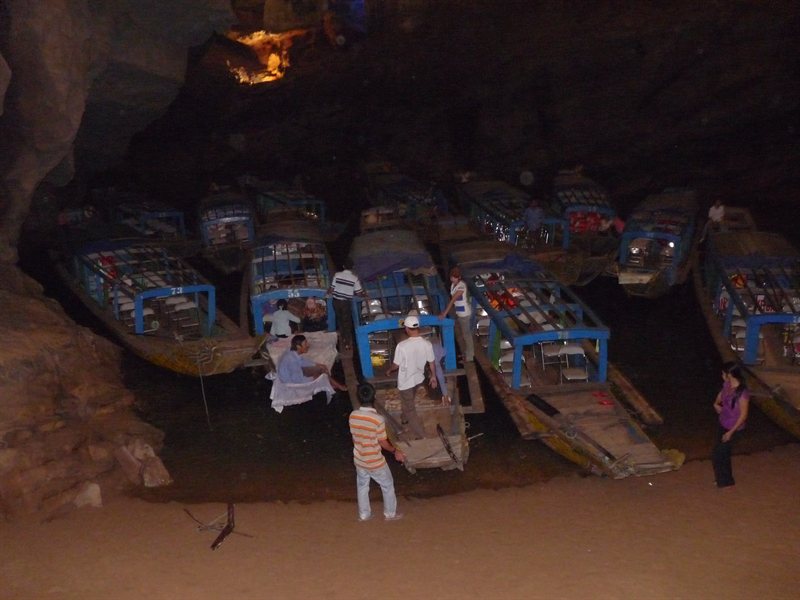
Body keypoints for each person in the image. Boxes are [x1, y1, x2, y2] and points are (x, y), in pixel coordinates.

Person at [348, 383, 406, 522]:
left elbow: (354, 436)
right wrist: (395, 451)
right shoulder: (378, 419)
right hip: (375, 461)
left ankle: (364, 515)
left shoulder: (353, 416)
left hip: (359, 459)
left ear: (359, 397)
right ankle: (390, 514)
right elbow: (383, 442)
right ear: (373, 397)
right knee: (387, 485)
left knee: (362, 486)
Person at [385, 314, 437, 439]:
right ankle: (404, 419)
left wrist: (389, 370)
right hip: (418, 378)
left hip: (406, 382)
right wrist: (433, 376)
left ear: (407, 329)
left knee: (410, 409)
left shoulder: (402, 346)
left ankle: (421, 435)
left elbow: (396, 365)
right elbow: (431, 362)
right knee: (408, 400)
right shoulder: (427, 344)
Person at [711, 361, 750, 488]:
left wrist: (730, 432)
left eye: (724, 373)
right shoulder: (727, 384)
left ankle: (726, 482)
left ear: (730, 374)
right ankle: (725, 480)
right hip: (723, 422)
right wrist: (716, 403)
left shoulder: (742, 392)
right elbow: (721, 393)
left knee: (718, 454)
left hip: (733, 427)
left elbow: (743, 415)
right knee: (722, 453)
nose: (722, 375)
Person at [277, 334, 347, 391]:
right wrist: (313, 378)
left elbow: (301, 361)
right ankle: (337, 386)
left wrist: (317, 364)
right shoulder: (292, 361)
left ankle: (334, 384)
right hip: (292, 382)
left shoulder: (292, 352)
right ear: (298, 346)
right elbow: (297, 380)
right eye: (305, 344)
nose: (308, 345)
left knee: (322, 369)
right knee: (321, 375)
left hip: (296, 375)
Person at [328, 258, 366, 351]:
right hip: (345, 303)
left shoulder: (337, 275)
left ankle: (342, 336)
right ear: (352, 267)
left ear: (343, 266)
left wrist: (327, 293)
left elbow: (332, 289)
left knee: (340, 320)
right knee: (347, 322)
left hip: (336, 301)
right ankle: (347, 342)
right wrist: (365, 294)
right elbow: (359, 293)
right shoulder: (354, 278)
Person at [439, 266, 474, 363]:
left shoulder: (461, 286)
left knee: (466, 334)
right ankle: (468, 353)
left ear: (457, 277)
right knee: (465, 333)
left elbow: (452, 301)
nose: (451, 279)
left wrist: (444, 313)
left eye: (453, 277)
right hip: (460, 312)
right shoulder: (454, 285)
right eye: (451, 277)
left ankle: (470, 356)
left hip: (464, 313)